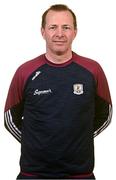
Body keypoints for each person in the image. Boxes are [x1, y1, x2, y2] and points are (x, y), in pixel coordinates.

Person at [4, 4, 112, 180]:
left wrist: (79, 139)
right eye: (53, 27)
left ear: (75, 32)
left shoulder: (92, 70)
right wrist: (35, 143)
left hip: (80, 174)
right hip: (33, 174)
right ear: (43, 32)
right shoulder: (25, 72)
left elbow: (105, 114)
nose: (59, 33)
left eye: (66, 27)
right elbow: (10, 118)